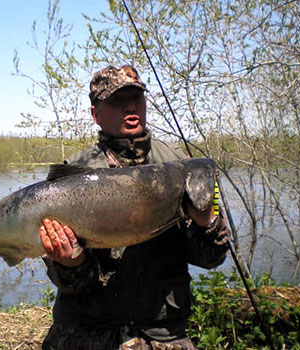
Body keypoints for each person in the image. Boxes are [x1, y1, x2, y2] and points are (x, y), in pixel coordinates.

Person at [39, 65, 229, 350]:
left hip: (163, 335)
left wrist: (206, 223)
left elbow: (212, 259)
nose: (131, 107)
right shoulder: (71, 176)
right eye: (117, 100)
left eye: (137, 98)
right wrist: (70, 263)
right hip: (86, 333)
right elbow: (68, 283)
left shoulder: (186, 169)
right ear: (95, 114)